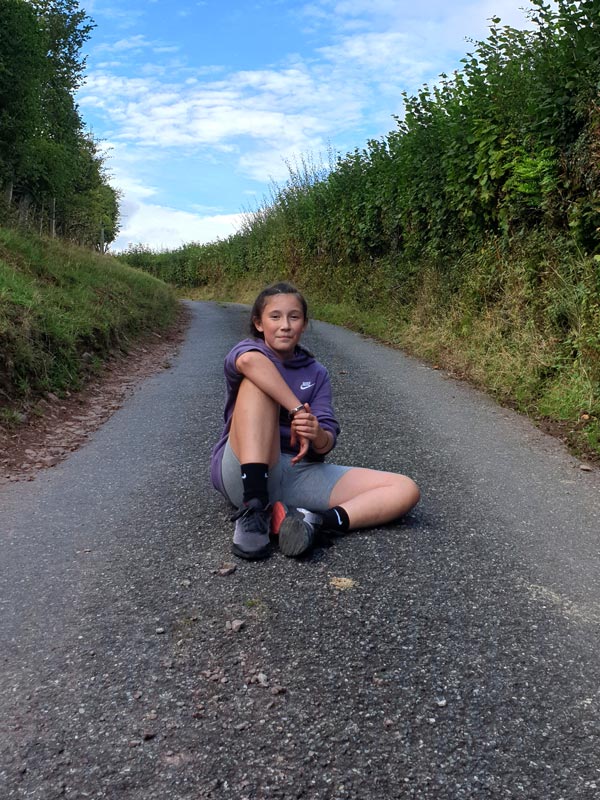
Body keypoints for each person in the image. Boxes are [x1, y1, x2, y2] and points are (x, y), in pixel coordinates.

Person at [210, 282, 420, 560]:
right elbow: (250, 363)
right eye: (275, 317)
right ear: (259, 324)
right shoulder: (247, 352)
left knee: (405, 488)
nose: (285, 325)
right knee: (257, 385)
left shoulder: (316, 372)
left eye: (294, 317)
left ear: (304, 325)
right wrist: (297, 409)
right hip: (245, 471)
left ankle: (314, 523)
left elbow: (325, 442)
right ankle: (254, 508)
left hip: (300, 473)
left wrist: (316, 431)